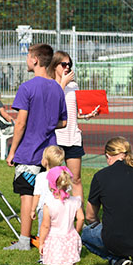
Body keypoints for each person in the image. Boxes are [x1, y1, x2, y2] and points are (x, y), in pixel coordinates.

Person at [4, 44, 68, 251]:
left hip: (29, 152)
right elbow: (63, 122)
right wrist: (46, 123)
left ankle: (24, 241)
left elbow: (20, 123)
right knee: (49, 195)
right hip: (50, 152)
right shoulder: (57, 89)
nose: (26, 60)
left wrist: (12, 151)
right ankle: (46, 238)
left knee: (27, 195)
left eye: (28, 57)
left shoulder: (27, 88)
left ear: (35, 60)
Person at [50, 50, 98, 197]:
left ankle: (79, 215)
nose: (67, 67)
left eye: (69, 64)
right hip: (56, 137)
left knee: (75, 178)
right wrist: (62, 84)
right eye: (63, 64)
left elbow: (73, 111)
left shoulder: (73, 86)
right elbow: (51, 106)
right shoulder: (50, 85)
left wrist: (86, 115)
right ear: (54, 65)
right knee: (54, 177)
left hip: (73, 136)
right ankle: (54, 212)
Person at [38, 166, 84, 265]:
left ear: (51, 185)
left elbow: (45, 225)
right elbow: (81, 218)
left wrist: (41, 242)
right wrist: (76, 230)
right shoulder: (75, 201)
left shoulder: (49, 203)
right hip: (70, 236)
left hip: (54, 239)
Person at [30, 145, 66, 231]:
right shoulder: (63, 176)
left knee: (43, 230)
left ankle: (43, 243)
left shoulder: (41, 176)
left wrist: (32, 210)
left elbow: (37, 195)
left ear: (45, 161)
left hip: (44, 208)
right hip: (59, 208)